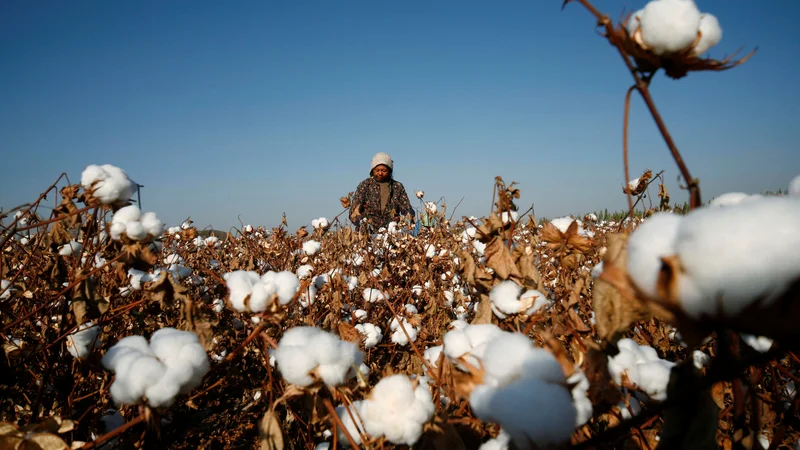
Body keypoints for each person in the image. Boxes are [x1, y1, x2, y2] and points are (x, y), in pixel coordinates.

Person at [350, 152, 414, 233]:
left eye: (384, 170)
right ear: (372, 170)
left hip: (391, 233)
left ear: (390, 171)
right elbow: (354, 211)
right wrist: (362, 223)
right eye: (377, 170)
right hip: (367, 234)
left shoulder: (397, 187)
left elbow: (407, 209)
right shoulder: (365, 185)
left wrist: (406, 219)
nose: (380, 173)